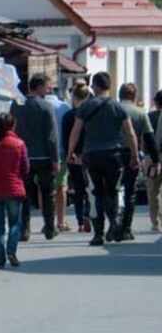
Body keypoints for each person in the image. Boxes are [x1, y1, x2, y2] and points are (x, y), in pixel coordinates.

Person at [67, 72, 141, 246]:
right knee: (113, 191)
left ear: (95, 86)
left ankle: (98, 234)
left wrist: (70, 151)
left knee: (95, 193)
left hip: (91, 155)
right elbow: (130, 133)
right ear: (109, 86)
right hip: (114, 155)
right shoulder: (117, 106)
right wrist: (134, 155)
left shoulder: (86, 107)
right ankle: (114, 222)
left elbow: (76, 131)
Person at [13, 74, 60, 241]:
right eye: (47, 87)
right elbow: (52, 136)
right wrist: (55, 159)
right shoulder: (46, 106)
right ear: (38, 87)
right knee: (48, 193)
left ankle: (24, 230)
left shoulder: (17, 105)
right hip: (44, 157)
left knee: (23, 195)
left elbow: (13, 130)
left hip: (23, 156)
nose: (49, 90)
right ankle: (49, 227)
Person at [0, 112, 29, 269]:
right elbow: (25, 168)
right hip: (13, 189)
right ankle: (11, 252)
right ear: (12, 125)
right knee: (14, 223)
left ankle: (0, 257)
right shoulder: (19, 144)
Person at [116, 83, 159, 241]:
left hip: (111, 153)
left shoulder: (112, 109)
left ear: (120, 95)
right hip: (131, 154)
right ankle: (126, 227)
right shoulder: (140, 113)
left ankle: (114, 222)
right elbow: (149, 138)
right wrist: (156, 160)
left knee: (112, 189)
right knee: (130, 191)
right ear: (134, 96)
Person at [61, 83, 92, 233]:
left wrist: (69, 154)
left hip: (73, 156)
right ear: (87, 96)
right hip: (90, 155)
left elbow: (65, 138)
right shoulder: (92, 114)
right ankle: (89, 215)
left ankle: (80, 221)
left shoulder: (68, 115)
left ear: (73, 97)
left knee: (79, 190)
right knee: (92, 189)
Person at [46, 85, 73, 232]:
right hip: (62, 150)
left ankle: (47, 220)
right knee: (61, 186)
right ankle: (61, 221)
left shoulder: (41, 105)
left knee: (44, 187)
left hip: (44, 152)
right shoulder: (65, 106)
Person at [149, 90, 162, 233]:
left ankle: (155, 222)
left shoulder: (150, 116)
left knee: (153, 191)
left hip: (152, 157)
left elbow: (144, 137)